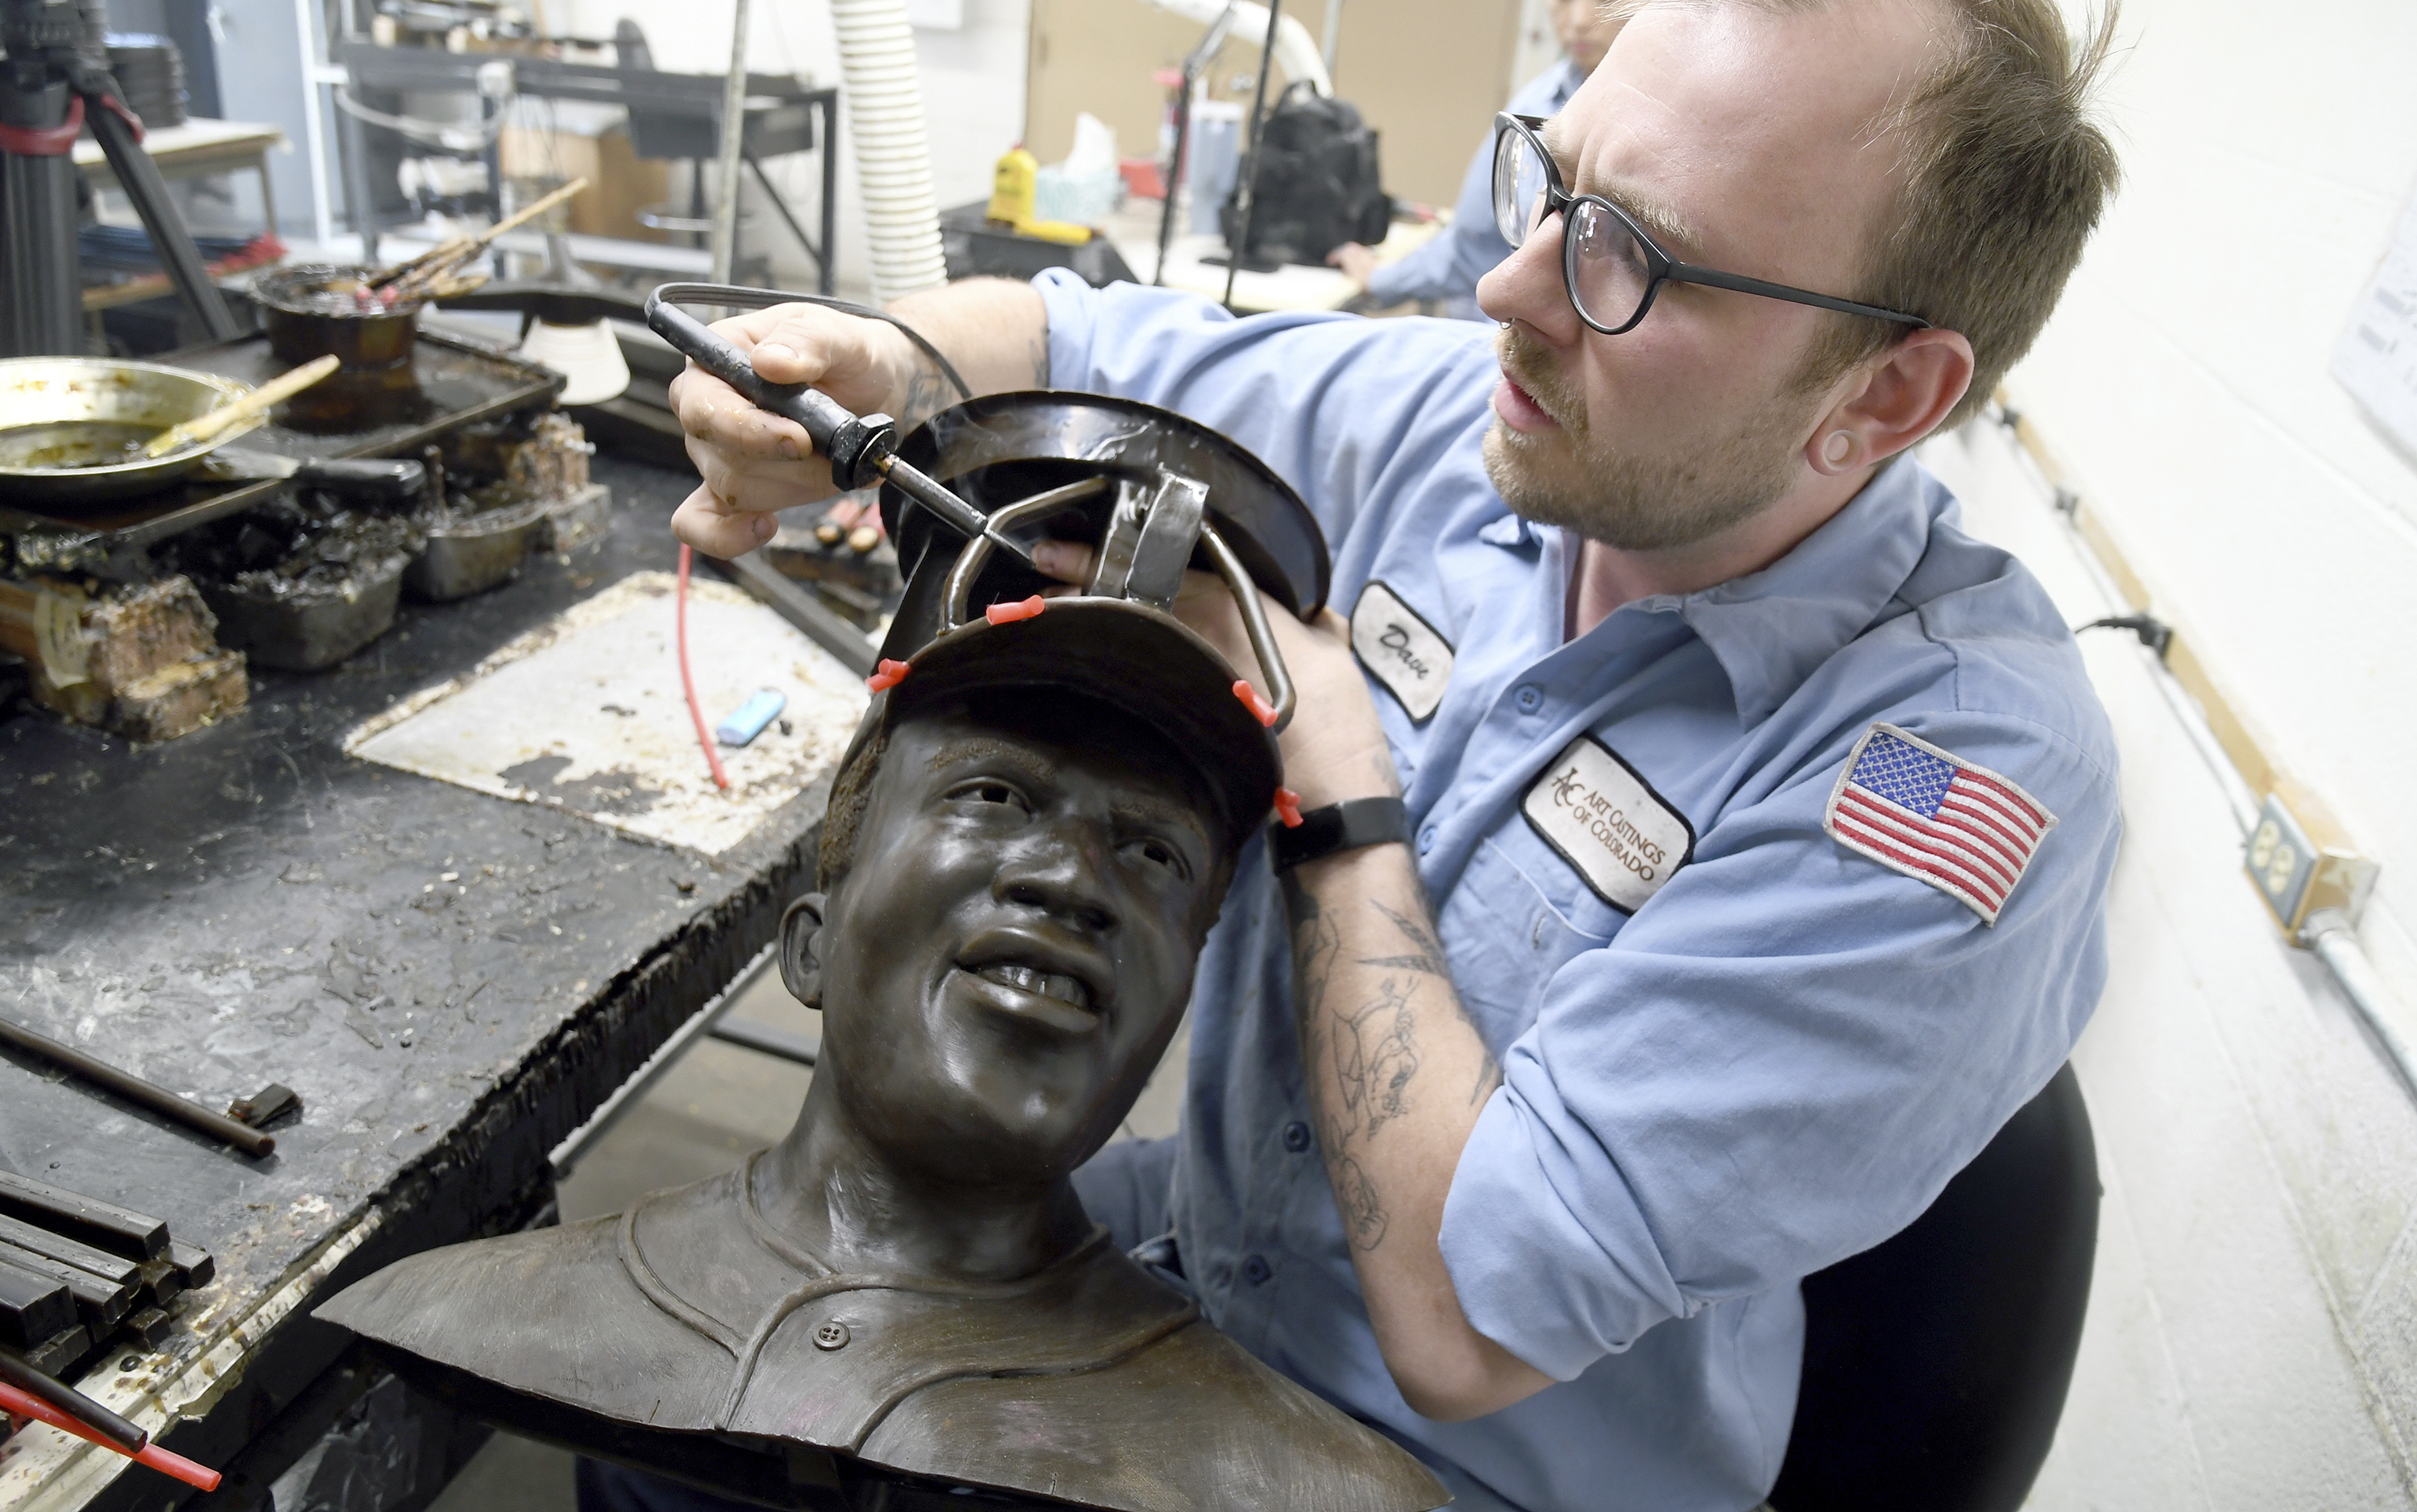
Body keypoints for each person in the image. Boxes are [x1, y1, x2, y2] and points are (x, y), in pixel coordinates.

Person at [665, 1, 2126, 1508]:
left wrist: (1336, 777)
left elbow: (1464, 1323)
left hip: (1454, 1464)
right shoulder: (1489, 425)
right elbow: (1064, 347)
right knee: (695, 1419)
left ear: (1885, 391)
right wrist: (882, 359)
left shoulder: (1948, 784)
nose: (1510, 285)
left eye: (1635, 256)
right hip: (1216, 1268)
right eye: (1548, 184)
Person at [319, 587, 1449, 1512]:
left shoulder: (1293, 1482)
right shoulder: (491, 1314)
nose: (1068, 878)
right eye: (995, 794)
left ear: (1164, 1023)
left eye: (1153, 854)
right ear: (810, 946)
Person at [1327, 0, 1619, 317]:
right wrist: (1381, 279)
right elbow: (1472, 246)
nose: (1578, 20)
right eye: (1563, 0)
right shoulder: (1535, 103)